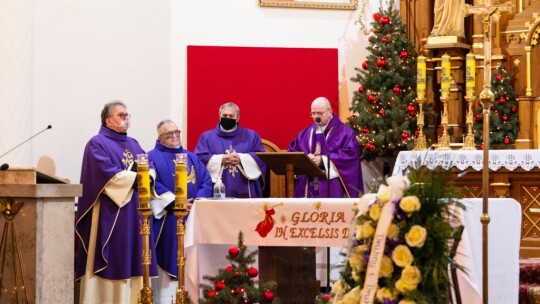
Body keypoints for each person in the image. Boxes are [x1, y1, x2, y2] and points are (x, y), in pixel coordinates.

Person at [75, 100, 158, 304]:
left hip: (135, 211)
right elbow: (106, 173)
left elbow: (149, 165)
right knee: (114, 255)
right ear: (108, 120)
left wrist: (148, 176)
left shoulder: (133, 143)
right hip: (112, 212)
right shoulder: (97, 143)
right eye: (121, 115)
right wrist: (137, 178)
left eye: (127, 115)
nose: (126, 118)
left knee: (136, 256)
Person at [148, 119, 212, 303]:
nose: (175, 136)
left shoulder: (191, 157)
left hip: (193, 217)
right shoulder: (151, 157)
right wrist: (176, 202)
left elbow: (206, 181)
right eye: (169, 134)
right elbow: (152, 184)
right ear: (160, 138)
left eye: (177, 132)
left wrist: (196, 202)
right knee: (168, 267)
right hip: (168, 218)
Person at [288, 96, 363, 198]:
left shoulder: (345, 133)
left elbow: (350, 156)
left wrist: (323, 160)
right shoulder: (305, 134)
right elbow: (293, 152)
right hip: (308, 184)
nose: (316, 117)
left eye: (319, 113)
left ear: (330, 111)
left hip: (332, 185)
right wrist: (305, 159)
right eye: (313, 113)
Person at [194, 102, 266, 198]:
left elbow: (261, 157)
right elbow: (199, 159)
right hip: (216, 188)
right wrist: (220, 160)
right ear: (219, 116)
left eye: (231, 116)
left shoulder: (251, 136)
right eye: (224, 115)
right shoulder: (206, 137)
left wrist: (241, 158)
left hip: (245, 188)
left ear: (238, 117)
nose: (227, 118)